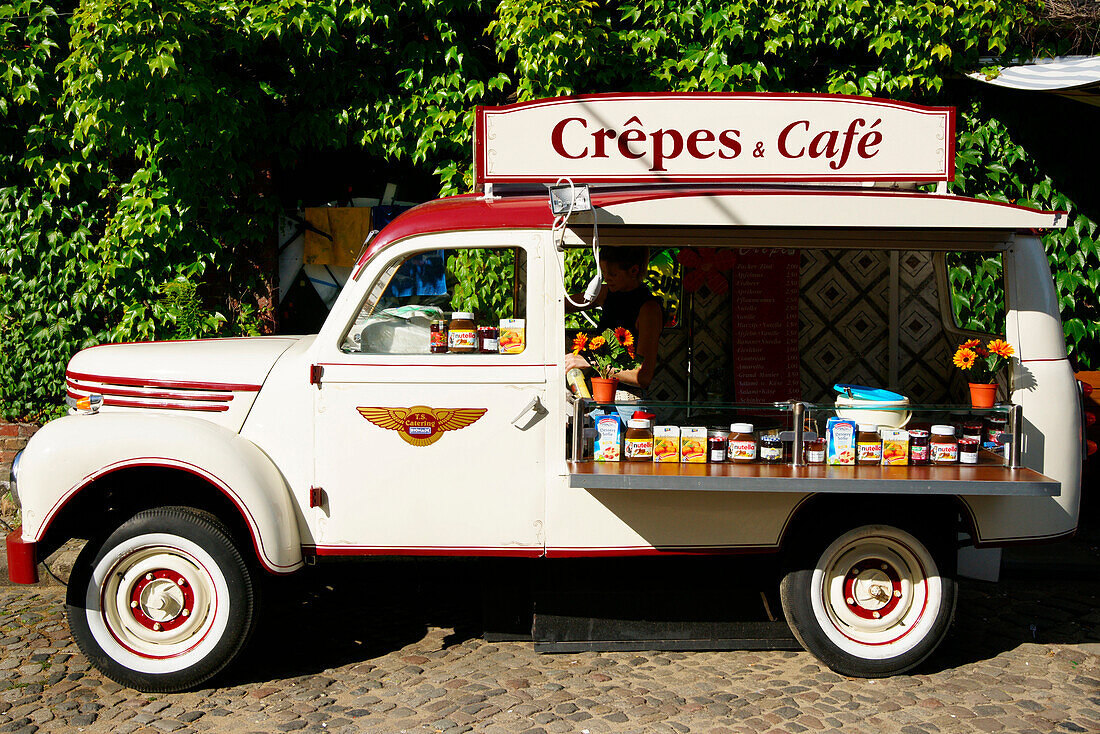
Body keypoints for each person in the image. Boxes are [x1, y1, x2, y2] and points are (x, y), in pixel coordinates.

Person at [564, 246, 662, 399]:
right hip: (599, 394)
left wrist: (591, 362)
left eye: (613, 274)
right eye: (603, 273)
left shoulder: (649, 309)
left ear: (634, 271)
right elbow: (559, 304)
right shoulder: (606, 293)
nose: (606, 278)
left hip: (627, 400)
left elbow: (642, 377)